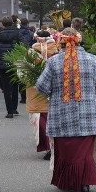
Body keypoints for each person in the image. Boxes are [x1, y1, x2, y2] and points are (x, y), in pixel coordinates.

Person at [34, 28, 96, 192]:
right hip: (88, 115)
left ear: (60, 42)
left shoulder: (53, 62)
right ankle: (84, 183)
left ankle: (69, 181)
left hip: (62, 116)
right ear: (80, 41)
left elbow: (42, 88)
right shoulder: (94, 60)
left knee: (67, 152)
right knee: (84, 152)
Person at [29, 30, 61, 160]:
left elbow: (22, 72)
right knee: (53, 117)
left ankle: (48, 145)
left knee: (40, 117)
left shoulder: (32, 51)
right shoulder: (57, 49)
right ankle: (56, 145)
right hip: (55, 85)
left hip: (36, 87)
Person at [0, 16, 23, 118]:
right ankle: (14, 108)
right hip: (15, 62)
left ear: (3, 24)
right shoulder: (17, 33)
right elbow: (25, 45)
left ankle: (9, 111)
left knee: (6, 87)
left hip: (2, 63)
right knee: (15, 86)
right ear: (11, 23)